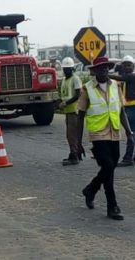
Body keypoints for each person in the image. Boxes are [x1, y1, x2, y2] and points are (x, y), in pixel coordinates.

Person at [77, 57, 132, 221]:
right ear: (94, 71)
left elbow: (121, 111)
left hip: (114, 132)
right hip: (98, 134)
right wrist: (78, 143)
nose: (103, 71)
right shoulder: (86, 89)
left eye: (106, 68)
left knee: (110, 168)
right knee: (108, 165)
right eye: (100, 68)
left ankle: (91, 189)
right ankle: (112, 206)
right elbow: (80, 116)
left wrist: (129, 132)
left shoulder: (116, 86)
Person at [110, 55, 135, 166]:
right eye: (124, 65)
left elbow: (120, 78)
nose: (126, 67)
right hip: (127, 107)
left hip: (132, 107)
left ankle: (128, 158)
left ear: (133, 66)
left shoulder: (132, 76)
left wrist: (106, 75)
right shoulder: (125, 77)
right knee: (132, 132)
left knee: (130, 133)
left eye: (129, 65)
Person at [58, 57, 82, 165]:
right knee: (69, 135)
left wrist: (66, 103)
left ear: (72, 69)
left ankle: (74, 155)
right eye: (65, 69)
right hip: (67, 110)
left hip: (74, 110)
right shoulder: (64, 80)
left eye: (68, 69)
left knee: (72, 135)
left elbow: (78, 95)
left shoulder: (75, 79)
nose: (66, 71)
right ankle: (74, 153)